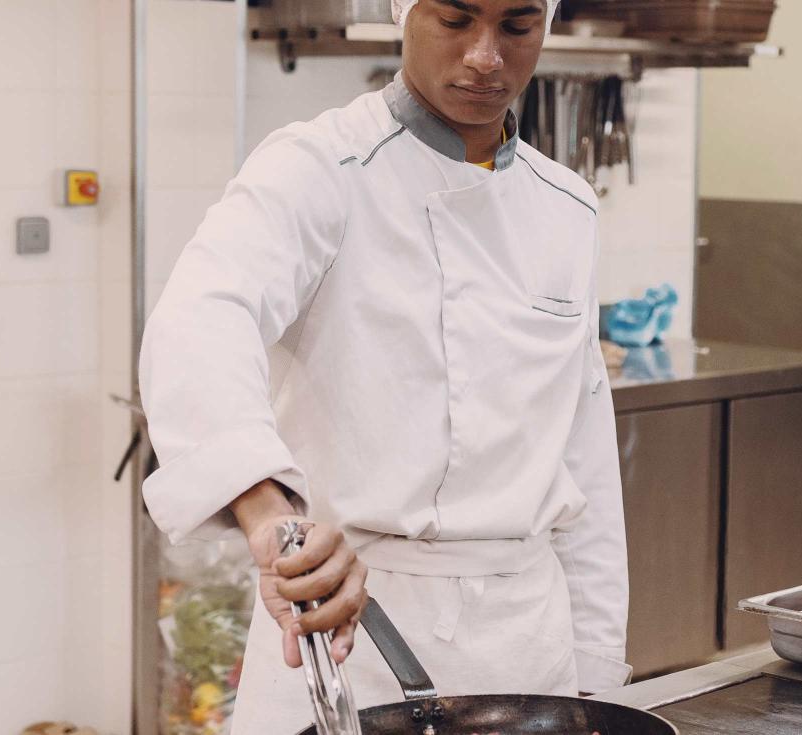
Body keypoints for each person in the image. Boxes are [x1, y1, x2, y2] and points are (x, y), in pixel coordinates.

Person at [137, 0, 629, 729]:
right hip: (352, 631)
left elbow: (584, 463)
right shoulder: (320, 168)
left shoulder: (567, 207)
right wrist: (273, 519)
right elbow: (200, 316)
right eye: (456, 20)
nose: (487, 57)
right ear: (404, 11)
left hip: (530, 652)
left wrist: (596, 679)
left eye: (517, 27)